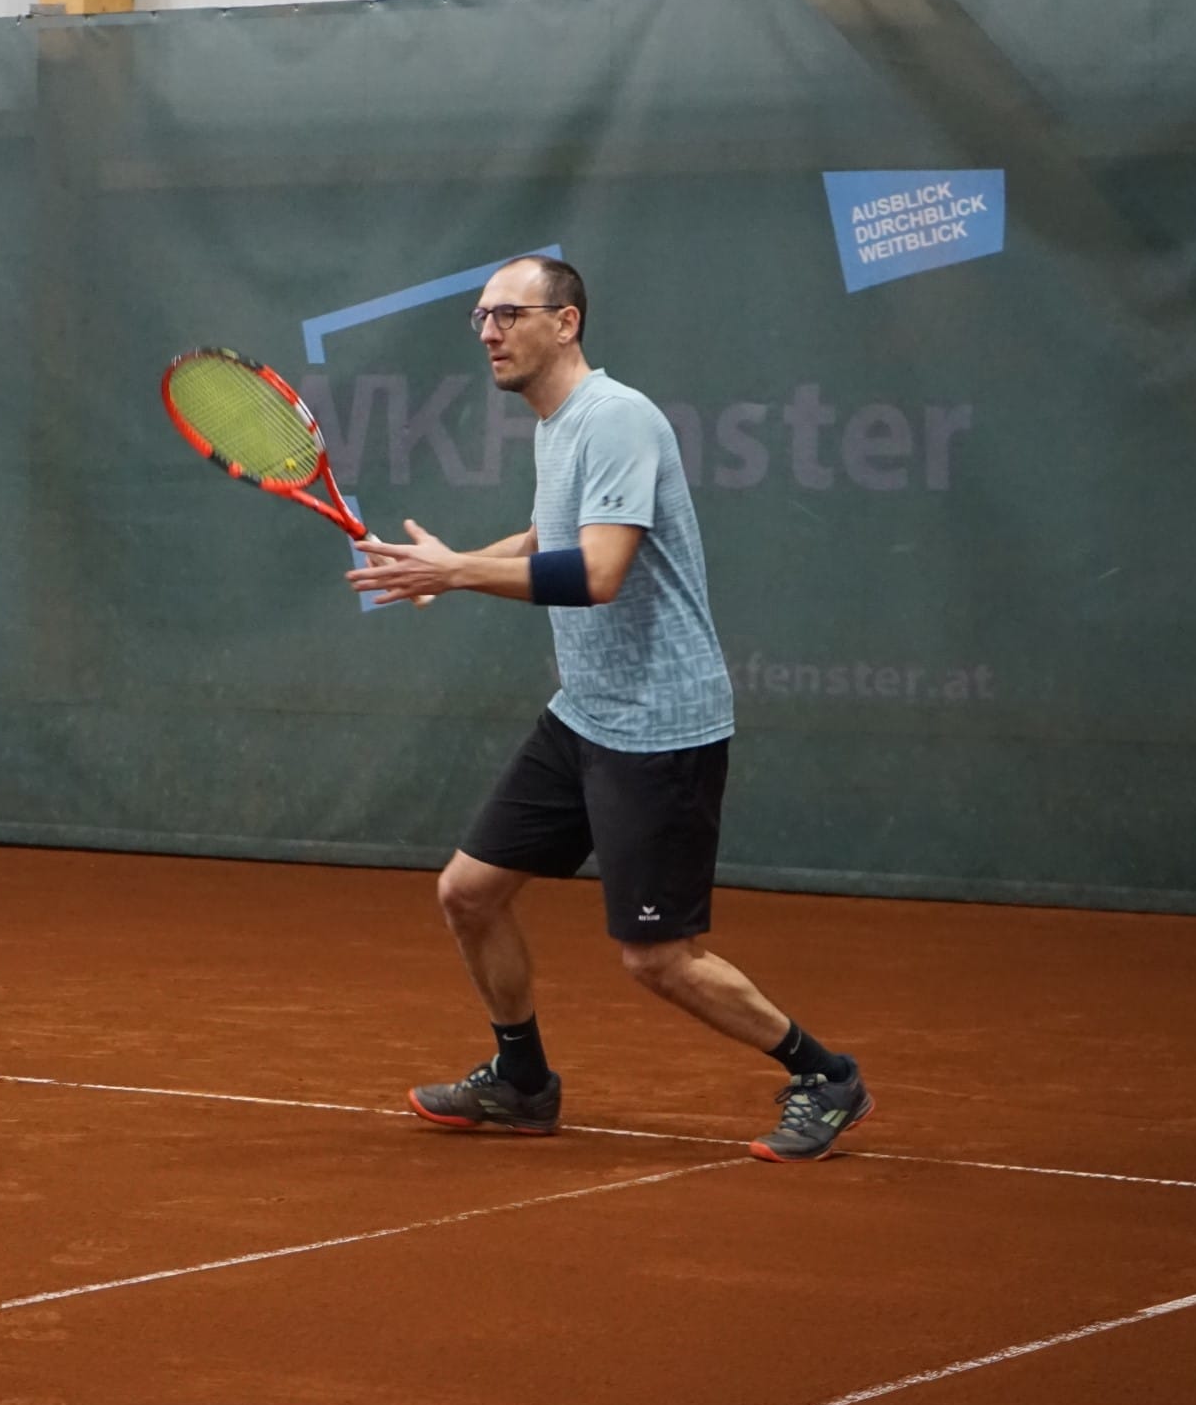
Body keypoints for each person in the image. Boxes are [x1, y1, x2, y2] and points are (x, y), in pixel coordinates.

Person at [346, 255, 873, 1163]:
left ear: (567, 322)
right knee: (469, 893)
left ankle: (825, 1075)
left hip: (660, 728)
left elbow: (598, 573)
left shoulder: (618, 418)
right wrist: (451, 566)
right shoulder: (558, 426)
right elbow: (552, 535)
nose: (489, 333)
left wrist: (459, 572)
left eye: (509, 314)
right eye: (481, 317)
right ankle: (523, 1082)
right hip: (585, 713)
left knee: (659, 958)